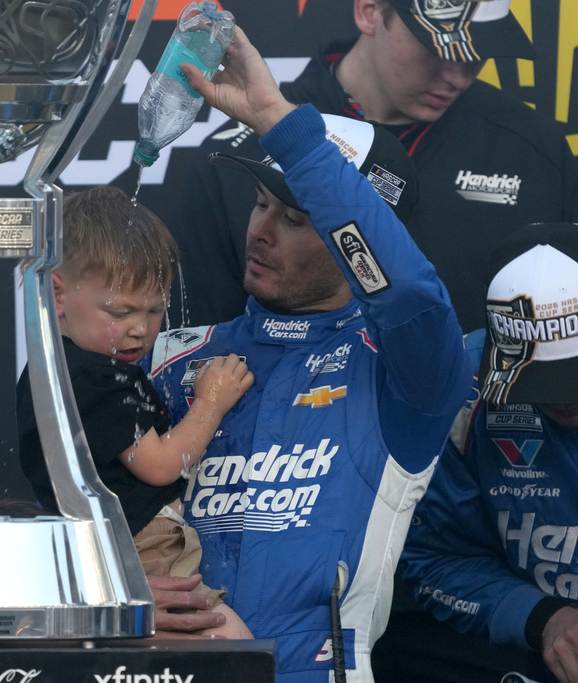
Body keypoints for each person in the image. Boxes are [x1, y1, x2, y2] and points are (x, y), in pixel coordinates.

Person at [142, 22, 472, 680]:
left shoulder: (407, 373)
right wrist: (123, 591)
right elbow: (82, 510)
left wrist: (279, 122)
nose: (262, 231)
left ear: (355, 239)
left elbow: (406, 288)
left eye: (295, 220)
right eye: (261, 206)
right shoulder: (173, 362)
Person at [171, 0, 577, 334]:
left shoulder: (533, 150)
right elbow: (200, 340)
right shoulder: (243, 151)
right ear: (369, 11)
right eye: (439, 48)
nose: (457, 75)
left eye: (477, 53)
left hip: (482, 426)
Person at [16, 184, 254, 639]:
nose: (139, 330)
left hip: (108, 549)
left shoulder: (56, 368)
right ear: (56, 294)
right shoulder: (93, 378)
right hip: (139, 550)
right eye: (120, 311)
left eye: (153, 310)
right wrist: (211, 402)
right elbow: (164, 465)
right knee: (232, 640)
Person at [398, 223, 578, 683]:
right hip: (530, 642)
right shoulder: (463, 388)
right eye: (542, 379)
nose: (562, 398)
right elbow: (436, 558)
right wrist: (543, 618)